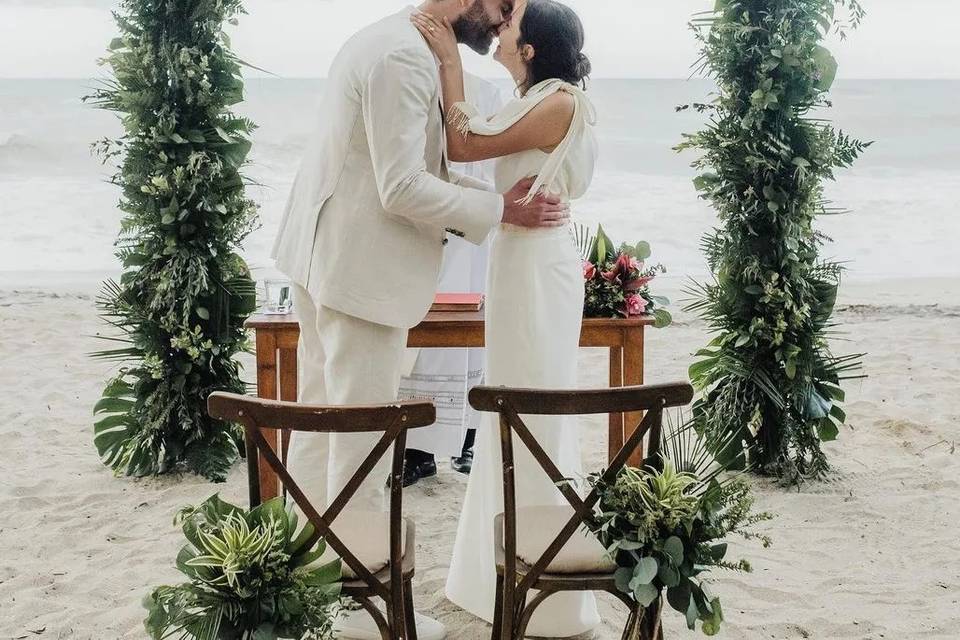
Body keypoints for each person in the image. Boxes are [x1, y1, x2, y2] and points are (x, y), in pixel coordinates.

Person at [271, 1, 570, 638]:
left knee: (323, 425)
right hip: (357, 276)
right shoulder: (404, 56)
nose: (502, 20)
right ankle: (359, 615)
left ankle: (308, 593)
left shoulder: (387, 39)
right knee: (362, 440)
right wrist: (498, 211)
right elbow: (401, 187)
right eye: (500, 6)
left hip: (327, 260)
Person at [412, 0, 601, 636]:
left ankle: (548, 581)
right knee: (507, 411)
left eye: (511, 21)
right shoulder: (533, 97)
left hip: (536, 269)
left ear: (530, 48)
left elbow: (464, 140)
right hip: (516, 260)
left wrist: (447, 57)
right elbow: (471, 141)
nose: (499, 25)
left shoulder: (559, 101)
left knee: (532, 409)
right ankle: (491, 571)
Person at [400, 72, 504, 486]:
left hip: (469, 220)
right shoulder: (411, 78)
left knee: (470, 340)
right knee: (419, 344)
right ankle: (418, 451)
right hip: (420, 220)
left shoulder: (486, 91)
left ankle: (468, 440)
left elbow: (491, 160)